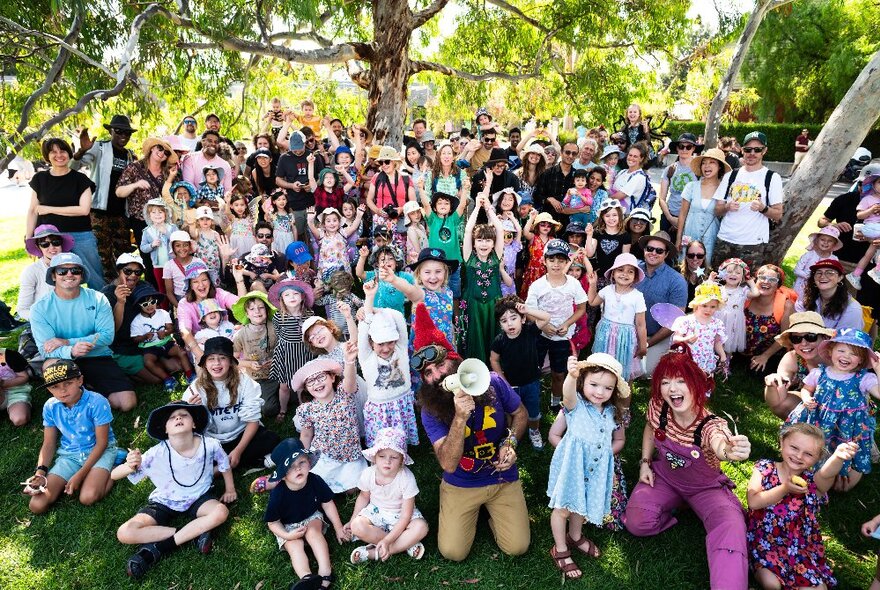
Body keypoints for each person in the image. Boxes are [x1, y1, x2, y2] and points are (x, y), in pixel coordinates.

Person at [625, 346, 752, 590]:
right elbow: (651, 430)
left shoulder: (710, 425)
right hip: (665, 477)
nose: (673, 389)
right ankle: (678, 508)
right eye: (665, 382)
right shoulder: (658, 406)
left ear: (695, 384)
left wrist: (731, 450)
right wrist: (644, 463)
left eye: (681, 380)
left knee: (731, 527)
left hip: (705, 488)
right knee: (637, 522)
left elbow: (720, 443)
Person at [413, 303, 530, 561]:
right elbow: (448, 464)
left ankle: (492, 514)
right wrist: (460, 418)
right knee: (453, 552)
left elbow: (521, 414)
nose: (435, 376)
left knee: (517, 547)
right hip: (462, 482)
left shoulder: (492, 382)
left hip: (501, 477)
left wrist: (510, 443)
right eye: (427, 373)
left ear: (455, 362)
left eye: (440, 365)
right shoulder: (429, 410)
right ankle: (473, 511)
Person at [111, 402, 235, 580]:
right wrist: (130, 466)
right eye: (172, 417)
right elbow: (114, 475)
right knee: (124, 532)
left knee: (221, 512)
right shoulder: (156, 453)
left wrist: (230, 488)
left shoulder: (210, 444)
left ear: (194, 424)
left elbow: (224, 465)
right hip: (164, 501)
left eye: (184, 415)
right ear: (165, 430)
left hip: (200, 497)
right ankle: (193, 534)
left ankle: (158, 548)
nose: (178, 417)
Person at [547, 354, 629, 579]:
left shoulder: (613, 413)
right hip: (572, 468)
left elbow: (619, 441)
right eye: (594, 384)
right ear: (583, 382)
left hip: (595, 471)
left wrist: (606, 457)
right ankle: (560, 549)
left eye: (607, 388)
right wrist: (571, 377)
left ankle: (575, 535)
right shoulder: (575, 407)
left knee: (579, 507)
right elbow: (567, 394)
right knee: (563, 508)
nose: (600, 392)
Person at [746, 424, 857, 590]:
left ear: (818, 458)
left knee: (819, 588)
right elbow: (753, 502)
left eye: (808, 454)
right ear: (782, 442)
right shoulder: (765, 468)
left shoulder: (813, 483)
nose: (799, 456)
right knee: (771, 584)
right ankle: (760, 568)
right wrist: (785, 489)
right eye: (794, 447)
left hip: (799, 547)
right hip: (764, 541)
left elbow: (827, 474)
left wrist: (838, 457)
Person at [30, 252, 137, 411]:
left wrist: (67, 341)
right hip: (63, 359)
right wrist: (71, 350)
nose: (69, 274)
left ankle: (86, 389)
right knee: (50, 364)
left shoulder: (98, 298)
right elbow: (45, 349)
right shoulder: (40, 308)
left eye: (75, 270)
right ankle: (78, 392)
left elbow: (107, 336)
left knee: (127, 403)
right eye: (62, 271)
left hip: (97, 355)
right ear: (53, 276)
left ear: (82, 275)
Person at [785, 328, 879, 491]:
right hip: (820, 420)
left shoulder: (863, 378)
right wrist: (807, 398)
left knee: (842, 483)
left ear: (861, 359)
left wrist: (878, 368)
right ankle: (810, 467)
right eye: (841, 350)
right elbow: (806, 389)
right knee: (816, 445)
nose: (846, 356)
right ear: (831, 350)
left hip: (847, 428)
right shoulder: (819, 373)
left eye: (854, 353)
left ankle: (839, 469)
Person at [24, 360, 120, 514]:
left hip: (101, 451)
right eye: (55, 387)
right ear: (48, 389)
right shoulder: (50, 406)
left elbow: (102, 443)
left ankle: (114, 469)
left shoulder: (97, 401)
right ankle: (94, 474)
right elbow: (48, 443)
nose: (62, 391)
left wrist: (80, 475)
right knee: (36, 506)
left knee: (87, 497)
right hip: (70, 455)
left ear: (80, 380)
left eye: (68, 383)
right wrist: (40, 474)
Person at [263, 438, 349, 590]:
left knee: (314, 532)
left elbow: (328, 504)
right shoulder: (278, 495)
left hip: (311, 517)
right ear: (283, 475)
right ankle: (306, 578)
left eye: (301, 462)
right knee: (294, 545)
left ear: (309, 463)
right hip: (288, 526)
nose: (298, 469)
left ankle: (325, 572)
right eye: (291, 466)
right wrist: (288, 535)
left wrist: (338, 528)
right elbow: (273, 522)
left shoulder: (315, 480)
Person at [183, 337, 281, 469]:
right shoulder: (194, 389)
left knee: (271, 439)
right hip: (213, 440)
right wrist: (193, 413)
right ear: (205, 363)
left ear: (230, 361)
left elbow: (253, 421)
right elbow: (190, 429)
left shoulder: (245, 383)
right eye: (211, 359)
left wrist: (238, 451)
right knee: (193, 456)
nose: (217, 363)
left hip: (240, 433)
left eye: (222, 358)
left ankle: (221, 467)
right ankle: (249, 462)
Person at [27, 138, 104, 290]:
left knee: (95, 277)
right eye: (53, 152)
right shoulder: (40, 179)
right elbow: (32, 210)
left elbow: (83, 210)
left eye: (62, 151)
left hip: (80, 235)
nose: (59, 155)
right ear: (47, 156)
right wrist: (29, 238)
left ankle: (103, 309)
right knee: (54, 279)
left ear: (69, 154)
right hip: (49, 238)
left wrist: (49, 208)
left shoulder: (80, 179)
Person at [70, 115, 138, 283]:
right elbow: (74, 167)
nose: (123, 135)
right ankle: (106, 293)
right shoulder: (99, 147)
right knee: (102, 255)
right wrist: (81, 151)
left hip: (121, 214)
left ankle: (125, 290)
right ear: (110, 131)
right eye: (119, 131)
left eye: (127, 133)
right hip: (99, 212)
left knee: (124, 255)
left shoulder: (130, 155)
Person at [347, 427, 429, 564]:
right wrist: (352, 519)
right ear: (374, 457)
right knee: (357, 526)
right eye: (382, 456)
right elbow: (363, 497)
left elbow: (405, 516)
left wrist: (387, 540)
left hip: (400, 515)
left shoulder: (407, 478)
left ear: (402, 460)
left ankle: (374, 553)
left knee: (421, 527)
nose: (387, 461)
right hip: (377, 512)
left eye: (394, 457)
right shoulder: (368, 474)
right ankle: (406, 543)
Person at [526, 239, 588, 407]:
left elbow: (582, 308)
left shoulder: (573, 284)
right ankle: (533, 400)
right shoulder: (537, 286)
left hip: (562, 335)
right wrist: (544, 326)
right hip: (539, 334)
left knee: (559, 373)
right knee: (534, 370)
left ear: (567, 262)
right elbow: (529, 311)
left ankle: (555, 402)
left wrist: (567, 324)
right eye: (552, 260)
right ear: (544, 260)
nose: (556, 264)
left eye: (561, 260)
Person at [712, 131, 783, 269]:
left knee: (747, 286)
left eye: (757, 149)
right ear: (741, 150)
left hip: (752, 243)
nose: (752, 153)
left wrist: (763, 208)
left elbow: (778, 214)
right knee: (719, 283)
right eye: (748, 149)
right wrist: (727, 207)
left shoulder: (772, 177)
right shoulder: (731, 175)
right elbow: (717, 210)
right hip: (725, 239)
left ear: (764, 151)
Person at [489, 296, 551, 450]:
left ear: (522, 319)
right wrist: (502, 381)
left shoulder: (530, 331)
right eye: (504, 321)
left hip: (531, 382)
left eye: (513, 318)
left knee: (533, 410)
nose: (509, 323)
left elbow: (547, 318)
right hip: (511, 384)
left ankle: (534, 430)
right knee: (512, 410)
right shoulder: (499, 341)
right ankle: (512, 435)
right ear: (500, 325)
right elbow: (494, 359)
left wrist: (527, 309)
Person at [358, 282, 416, 446]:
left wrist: (379, 311)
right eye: (380, 343)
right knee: (382, 445)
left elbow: (398, 316)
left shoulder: (400, 348)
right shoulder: (366, 356)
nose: (386, 348)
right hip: (380, 407)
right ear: (371, 342)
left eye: (389, 342)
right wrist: (369, 299)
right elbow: (363, 328)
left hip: (401, 401)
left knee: (400, 443)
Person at [460, 192, 505, 363]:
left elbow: (499, 229)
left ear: (493, 243)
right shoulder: (469, 259)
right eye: (479, 240)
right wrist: (477, 207)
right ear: (474, 243)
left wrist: (488, 208)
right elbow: (468, 230)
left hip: (494, 304)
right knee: (475, 337)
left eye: (488, 241)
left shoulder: (495, 258)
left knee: (494, 337)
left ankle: (495, 369)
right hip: (473, 305)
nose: (484, 244)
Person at [587, 252, 648, 380]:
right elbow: (592, 302)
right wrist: (592, 284)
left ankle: (623, 397)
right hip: (605, 334)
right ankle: (603, 393)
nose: (625, 274)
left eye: (630, 271)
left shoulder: (637, 296)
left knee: (624, 372)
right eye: (620, 270)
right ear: (613, 273)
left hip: (625, 338)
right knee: (603, 368)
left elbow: (640, 324)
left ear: (635, 276)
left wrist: (643, 346)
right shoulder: (607, 290)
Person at [763, 311, 835, 419]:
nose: (804, 343)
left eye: (811, 337)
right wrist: (771, 385)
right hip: (810, 402)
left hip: (843, 406)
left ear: (824, 337)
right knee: (782, 404)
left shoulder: (836, 357)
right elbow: (776, 401)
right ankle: (804, 430)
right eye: (796, 338)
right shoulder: (792, 358)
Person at [635, 231, 688, 374]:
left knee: (646, 372)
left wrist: (647, 343)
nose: (653, 253)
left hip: (656, 336)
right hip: (629, 331)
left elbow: (675, 320)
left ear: (666, 254)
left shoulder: (676, 280)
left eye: (659, 250)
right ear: (644, 250)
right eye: (650, 249)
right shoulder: (632, 270)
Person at [129, 287, 194, 390]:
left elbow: (171, 328)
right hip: (149, 347)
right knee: (148, 362)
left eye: (152, 302)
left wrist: (166, 332)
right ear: (139, 306)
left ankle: (190, 375)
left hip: (166, 342)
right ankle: (168, 379)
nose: (150, 306)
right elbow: (135, 339)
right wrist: (144, 337)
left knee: (181, 352)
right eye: (145, 304)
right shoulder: (136, 321)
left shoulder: (163, 313)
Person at [676, 147, 728, 264]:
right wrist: (678, 238)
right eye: (704, 163)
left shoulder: (724, 189)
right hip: (689, 235)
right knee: (685, 268)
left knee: (706, 270)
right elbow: (682, 214)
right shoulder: (691, 186)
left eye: (712, 162)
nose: (706, 166)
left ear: (719, 166)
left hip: (711, 238)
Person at [231, 291, 280, 419]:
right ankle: (269, 397)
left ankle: (279, 394)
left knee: (297, 394)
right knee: (269, 409)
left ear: (267, 310)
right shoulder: (241, 335)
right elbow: (232, 359)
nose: (257, 311)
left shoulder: (275, 327)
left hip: (280, 373)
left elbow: (284, 348)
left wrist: (277, 359)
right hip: (259, 378)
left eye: (261, 307)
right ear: (247, 314)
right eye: (252, 309)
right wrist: (249, 364)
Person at [18, 224, 74, 321]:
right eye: (45, 244)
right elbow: (23, 309)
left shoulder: (73, 266)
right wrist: (42, 320)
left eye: (56, 242)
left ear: (61, 243)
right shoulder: (32, 271)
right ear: (38, 247)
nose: (52, 247)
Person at [671, 282, 728, 378]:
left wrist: (722, 355)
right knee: (686, 381)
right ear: (697, 305)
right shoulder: (687, 321)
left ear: (717, 307)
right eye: (704, 306)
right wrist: (686, 339)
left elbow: (717, 343)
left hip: (706, 359)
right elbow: (675, 338)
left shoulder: (717, 323)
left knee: (702, 383)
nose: (708, 310)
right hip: (687, 358)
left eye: (712, 307)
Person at [796, 258, 864, 330]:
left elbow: (844, 339)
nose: (822, 276)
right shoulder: (806, 297)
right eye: (818, 272)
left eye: (830, 273)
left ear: (840, 278)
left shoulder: (852, 308)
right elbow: (797, 326)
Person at [714, 258, 758, 356]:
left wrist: (750, 282)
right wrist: (710, 281)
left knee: (730, 341)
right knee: (716, 339)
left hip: (734, 321)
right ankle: (714, 358)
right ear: (723, 275)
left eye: (738, 273)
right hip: (719, 319)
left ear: (742, 277)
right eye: (729, 272)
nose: (733, 274)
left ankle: (726, 361)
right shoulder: (718, 289)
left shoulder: (743, 291)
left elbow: (756, 294)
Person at [658, 133, 700, 233]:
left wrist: (682, 220)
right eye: (681, 146)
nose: (684, 150)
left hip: (690, 218)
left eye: (688, 147)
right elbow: (661, 198)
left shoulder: (699, 170)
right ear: (677, 148)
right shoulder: (670, 169)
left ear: (693, 148)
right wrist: (670, 218)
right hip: (669, 215)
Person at [846, 171, 880, 289]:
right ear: (873, 185)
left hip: (877, 230)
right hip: (871, 227)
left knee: (868, 254)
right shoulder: (868, 199)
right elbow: (859, 216)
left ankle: (855, 275)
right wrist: (870, 211)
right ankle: (877, 270)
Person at [794, 226, 842, 298]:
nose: (826, 243)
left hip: (821, 289)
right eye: (822, 239)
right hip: (802, 288)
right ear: (816, 240)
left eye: (830, 241)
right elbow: (797, 270)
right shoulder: (809, 255)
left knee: (815, 304)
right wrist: (809, 276)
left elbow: (835, 274)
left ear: (834, 244)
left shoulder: (834, 259)